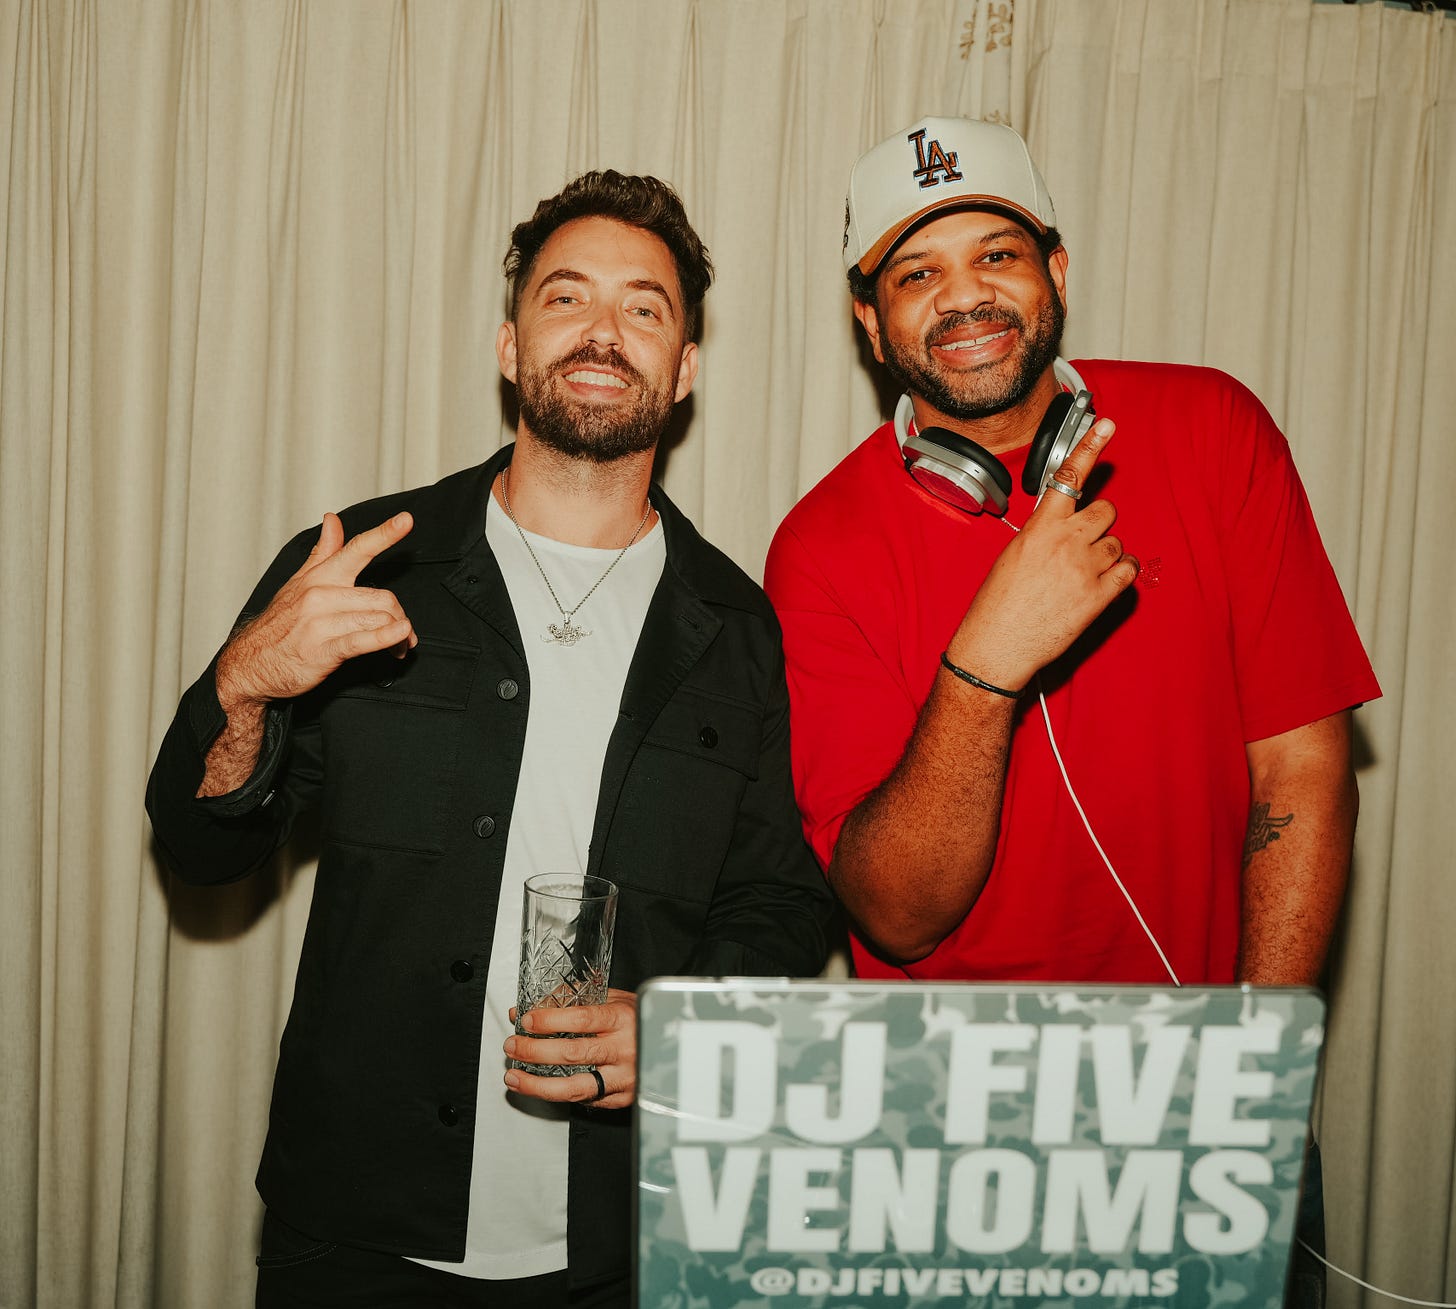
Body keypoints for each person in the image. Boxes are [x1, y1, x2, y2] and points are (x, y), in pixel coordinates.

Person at [147, 170, 834, 1308]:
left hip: (623, 1242)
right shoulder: (367, 563)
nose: (603, 330)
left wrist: (682, 1026)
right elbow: (201, 849)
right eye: (566, 297)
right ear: (511, 347)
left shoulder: (735, 625)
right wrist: (246, 687)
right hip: (355, 1233)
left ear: (685, 368)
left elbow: (780, 899)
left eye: (644, 307)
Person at [764, 115, 1378, 1303]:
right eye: (915, 274)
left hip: (1216, 1097)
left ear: (1054, 268)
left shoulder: (1216, 431)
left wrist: (1250, 1073)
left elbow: (1300, 772)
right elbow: (895, 914)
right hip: (956, 1143)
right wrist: (983, 667)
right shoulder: (817, 548)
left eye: (994, 254)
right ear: (869, 321)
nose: (963, 296)